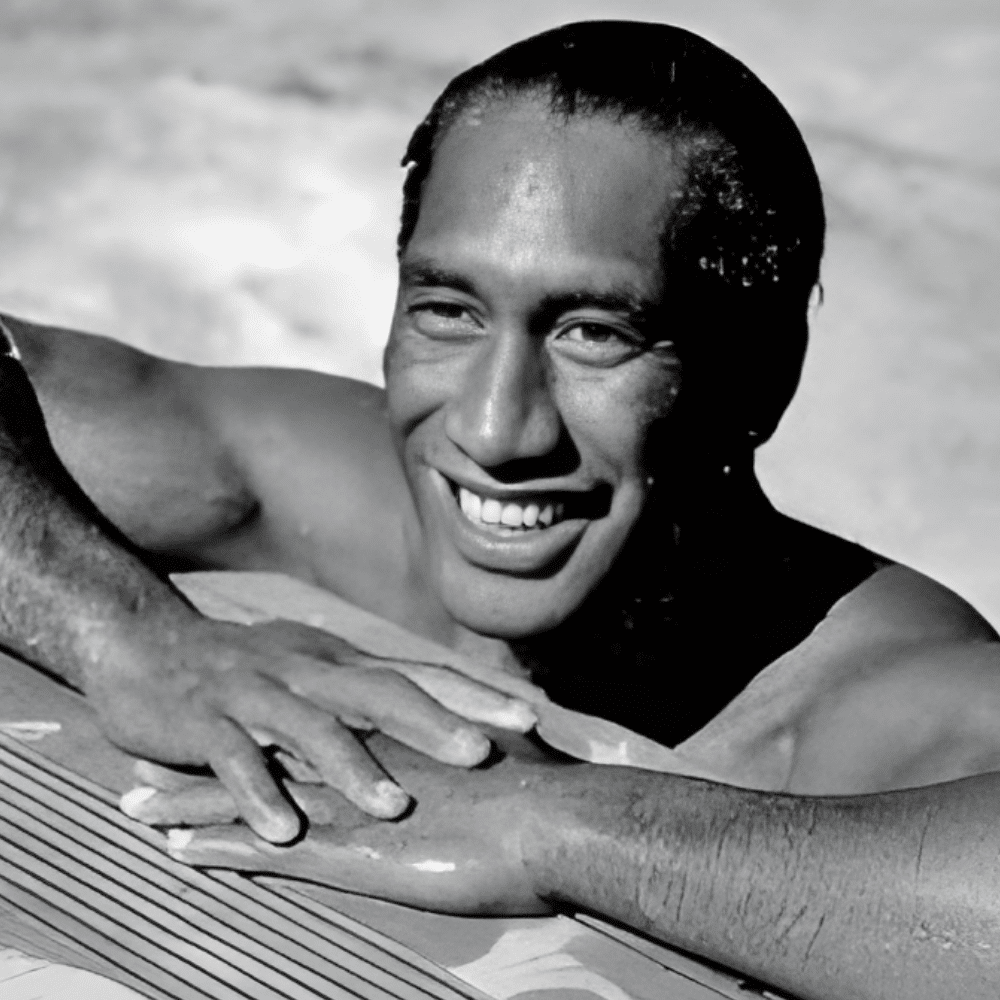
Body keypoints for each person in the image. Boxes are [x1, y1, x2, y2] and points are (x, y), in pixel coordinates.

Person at [2, 20, 1000, 997]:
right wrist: (125, 632)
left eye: (593, 333)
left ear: (759, 379)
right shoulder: (323, 494)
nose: (491, 431)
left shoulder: (887, 701)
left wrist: (551, 823)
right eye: (449, 312)